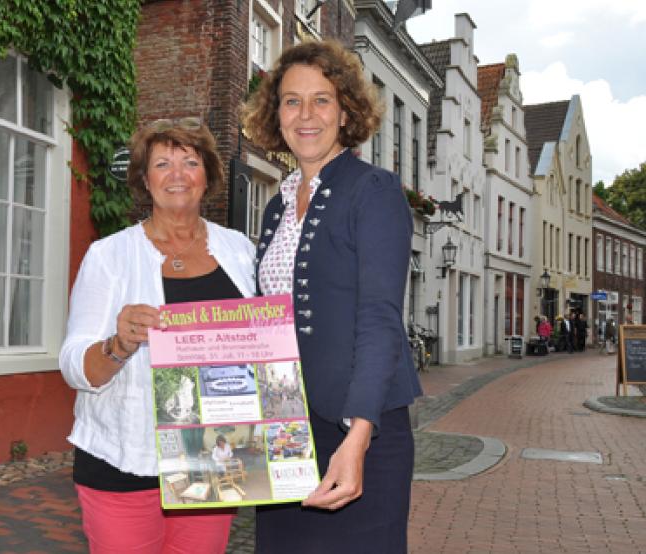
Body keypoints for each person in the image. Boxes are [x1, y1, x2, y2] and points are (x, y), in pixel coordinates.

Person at [241, 39, 422, 552]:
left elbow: (380, 319)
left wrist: (357, 439)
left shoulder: (375, 191)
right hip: (285, 434)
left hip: (360, 429)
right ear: (275, 115)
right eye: (291, 101)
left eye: (321, 99)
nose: (306, 115)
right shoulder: (275, 206)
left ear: (345, 112)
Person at [59, 117, 256, 553]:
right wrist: (119, 344)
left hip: (212, 460)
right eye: (163, 163)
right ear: (145, 181)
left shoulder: (241, 252)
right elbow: (74, 366)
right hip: (124, 461)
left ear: (208, 177)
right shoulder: (109, 255)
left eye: (190, 161)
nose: (178, 175)